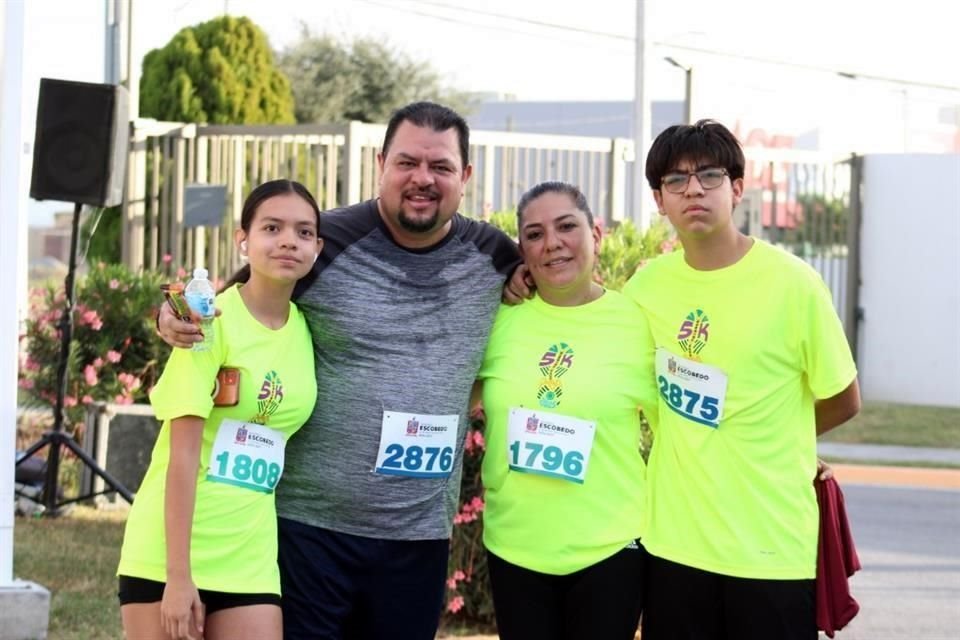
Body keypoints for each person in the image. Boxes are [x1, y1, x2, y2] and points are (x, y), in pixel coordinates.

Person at [157, 102, 527, 639]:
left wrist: (526, 281)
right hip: (311, 530)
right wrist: (170, 315)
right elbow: (230, 302)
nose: (422, 179)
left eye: (441, 166)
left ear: (465, 175)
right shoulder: (322, 243)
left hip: (418, 537)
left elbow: (557, 286)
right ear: (381, 163)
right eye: (407, 162)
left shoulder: (494, 256)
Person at [622, 120, 861, 640]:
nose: (693, 190)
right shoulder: (646, 287)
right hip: (674, 545)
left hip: (770, 549)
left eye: (708, 176)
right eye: (675, 181)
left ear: (736, 188)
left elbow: (844, 398)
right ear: (659, 201)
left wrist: (784, 434)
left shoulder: (793, 284)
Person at [117, 179, 323, 640]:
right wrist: (178, 576)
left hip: (250, 560)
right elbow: (181, 456)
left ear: (318, 247)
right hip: (169, 556)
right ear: (243, 239)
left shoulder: (309, 330)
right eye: (272, 227)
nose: (289, 240)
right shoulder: (208, 323)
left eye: (304, 232)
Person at [473, 181, 658, 640]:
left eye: (566, 226)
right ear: (522, 251)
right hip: (514, 548)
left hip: (611, 548)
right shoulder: (495, 320)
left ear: (596, 233)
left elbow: (681, 431)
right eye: (534, 234)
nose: (552, 243)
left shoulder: (638, 324)